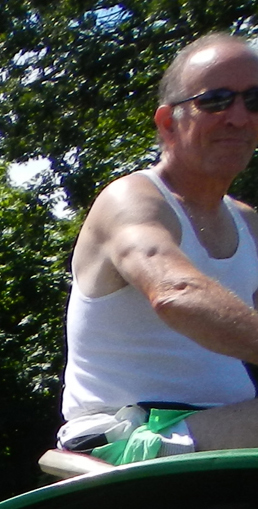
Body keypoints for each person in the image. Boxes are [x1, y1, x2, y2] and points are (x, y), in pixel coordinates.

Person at [59, 32, 258, 464]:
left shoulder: (248, 222)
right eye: (217, 100)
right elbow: (176, 294)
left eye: (254, 100)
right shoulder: (131, 200)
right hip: (129, 439)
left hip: (223, 431)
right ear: (168, 122)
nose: (239, 118)